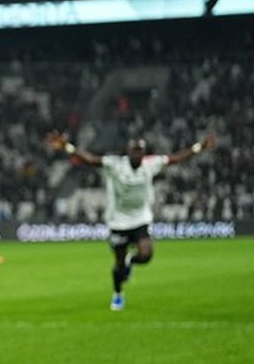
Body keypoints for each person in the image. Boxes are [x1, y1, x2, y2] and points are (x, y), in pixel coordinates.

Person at [46, 131, 216, 311]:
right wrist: (67, 147)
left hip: (140, 219)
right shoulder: (115, 165)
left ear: (144, 152)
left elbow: (176, 158)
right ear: (128, 152)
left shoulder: (150, 164)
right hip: (118, 222)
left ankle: (130, 261)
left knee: (146, 255)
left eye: (140, 151)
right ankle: (118, 293)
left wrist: (199, 147)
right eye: (135, 150)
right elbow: (90, 160)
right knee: (118, 266)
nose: (138, 154)